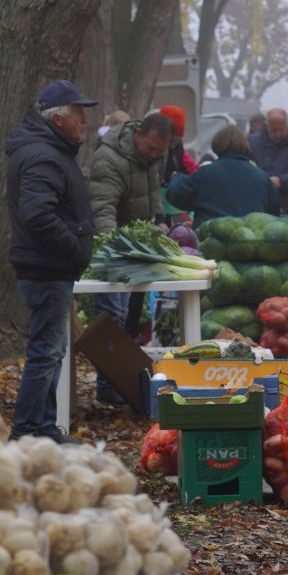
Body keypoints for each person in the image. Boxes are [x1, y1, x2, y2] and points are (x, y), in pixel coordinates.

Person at [4, 80, 99, 442]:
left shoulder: (47, 149)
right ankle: (29, 431)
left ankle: (44, 428)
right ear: (58, 118)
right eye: (78, 114)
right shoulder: (43, 155)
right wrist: (74, 247)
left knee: (52, 351)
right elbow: (37, 215)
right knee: (46, 352)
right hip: (46, 268)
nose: (84, 121)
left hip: (48, 266)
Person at [87, 111, 174, 402]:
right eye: (151, 148)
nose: (155, 154)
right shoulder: (108, 159)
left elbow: (154, 191)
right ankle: (107, 387)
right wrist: (112, 247)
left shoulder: (155, 155)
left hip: (139, 248)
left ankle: (124, 385)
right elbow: (103, 208)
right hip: (115, 250)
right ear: (138, 135)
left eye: (160, 151)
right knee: (112, 317)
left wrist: (159, 219)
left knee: (130, 319)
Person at [166, 125, 279, 226]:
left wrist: (176, 177)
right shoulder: (262, 178)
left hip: (210, 240)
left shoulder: (206, 173)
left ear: (217, 146)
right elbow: (274, 216)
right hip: (250, 240)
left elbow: (177, 195)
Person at [157, 105, 198, 188]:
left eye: (177, 139)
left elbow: (192, 169)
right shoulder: (152, 149)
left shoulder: (178, 149)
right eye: (172, 140)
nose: (173, 145)